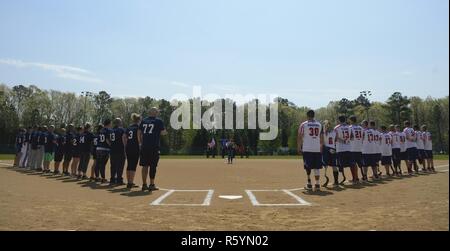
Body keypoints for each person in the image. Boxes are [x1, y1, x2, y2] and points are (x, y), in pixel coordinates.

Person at [138, 107, 167, 192]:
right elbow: (163, 132)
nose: (158, 112)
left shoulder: (143, 121)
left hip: (144, 146)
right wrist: (164, 132)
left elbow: (139, 132)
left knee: (144, 166)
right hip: (154, 147)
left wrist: (140, 142)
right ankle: (151, 184)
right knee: (153, 166)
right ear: (153, 112)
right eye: (157, 111)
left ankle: (144, 184)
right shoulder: (158, 121)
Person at [297, 110, 323, 191]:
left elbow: (300, 136)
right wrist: (321, 146)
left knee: (308, 166)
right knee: (317, 167)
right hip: (317, 148)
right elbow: (321, 137)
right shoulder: (319, 124)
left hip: (307, 148)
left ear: (307, 115)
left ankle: (309, 183)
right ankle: (317, 183)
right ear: (314, 115)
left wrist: (299, 147)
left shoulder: (304, 124)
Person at [334, 115, 353, 184]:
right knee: (350, 164)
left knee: (340, 165)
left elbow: (335, 138)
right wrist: (347, 140)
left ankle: (342, 178)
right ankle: (354, 178)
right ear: (345, 120)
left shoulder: (337, 128)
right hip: (348, 148)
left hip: (340, 149)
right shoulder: (349, 127)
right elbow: (352, 137)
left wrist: (342, 141)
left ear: (339, 120)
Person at [124, 113, 141, 189]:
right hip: (135, 147)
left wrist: (125, 144)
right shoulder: (138, 127)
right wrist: (140, 144)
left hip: (128, 147)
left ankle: (129, 182)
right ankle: (131, 183)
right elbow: (138, 136)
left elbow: (124, 136)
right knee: (133, 165)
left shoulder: (129, 127)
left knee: (129, 165)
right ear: (138, 120)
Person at [110, 118, 126, 186]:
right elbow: (124, 138)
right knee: (120, 165)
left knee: (113, 165)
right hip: (120, 150)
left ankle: (112, 179)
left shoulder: (111, 131)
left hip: (112, 150)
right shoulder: (121, 129)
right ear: (119, 123)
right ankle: (119, 180)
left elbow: (109, 140)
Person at [322, 120, 338, 187]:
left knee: (325, 165)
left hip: (326, 149)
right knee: (334, 165)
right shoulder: (335, 131)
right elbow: (336, 140)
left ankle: (326, 180)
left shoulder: (324, 132)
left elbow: (322, 142)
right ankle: (336, 181)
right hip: (333, 149)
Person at [349, 115, 363, 184]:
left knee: (353, 164)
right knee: (359, 164)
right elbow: (363, 136)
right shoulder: (361, 128)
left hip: (352, 148)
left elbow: (350, 137)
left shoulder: (350, 127)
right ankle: (362, 177)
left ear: (351, 120)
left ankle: (355, 178)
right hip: (359, 147)